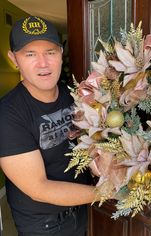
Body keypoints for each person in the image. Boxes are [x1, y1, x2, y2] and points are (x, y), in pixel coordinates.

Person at [0, 16, 97, 236]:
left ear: (61, 54)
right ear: (14, 59)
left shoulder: (71, 95)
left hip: (80, 209)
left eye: (50, 52)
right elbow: (39, 188)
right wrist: (108, 192)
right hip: (43, 225)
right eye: (30, 54)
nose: (43, 63)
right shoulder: (8, 114)